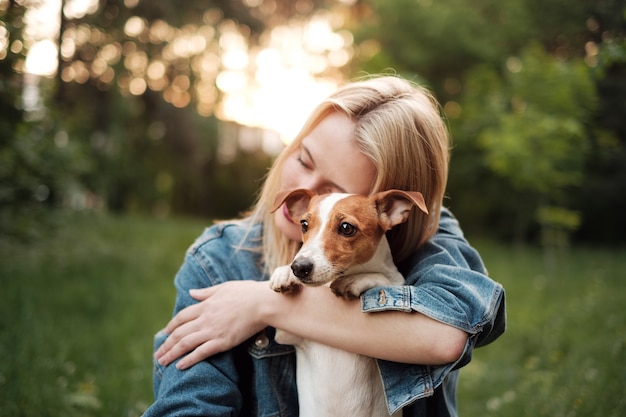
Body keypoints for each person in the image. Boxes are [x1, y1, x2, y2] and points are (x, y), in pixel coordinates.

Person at [142, 75, 506, 417]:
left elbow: (445, 337)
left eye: (335, 195)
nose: (304, 190)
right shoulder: (217, 260)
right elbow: (188, 403)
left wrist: (263, 303)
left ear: (393, 210)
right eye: (303, 158)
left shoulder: (430, 237)